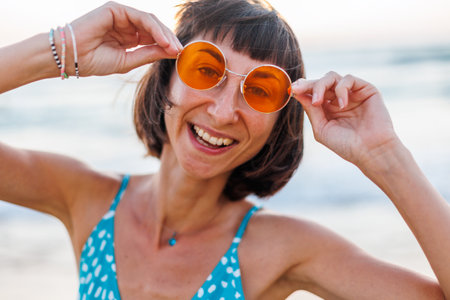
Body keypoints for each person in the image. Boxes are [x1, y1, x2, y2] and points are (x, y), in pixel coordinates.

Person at [1, 0, 449, 299]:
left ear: (278, 124)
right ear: (165, 78)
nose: (222, 110)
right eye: (204, 69)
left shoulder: (285, 247)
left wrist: (385, 155)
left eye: (260, 90)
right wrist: (64, 47)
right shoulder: (84, 197)